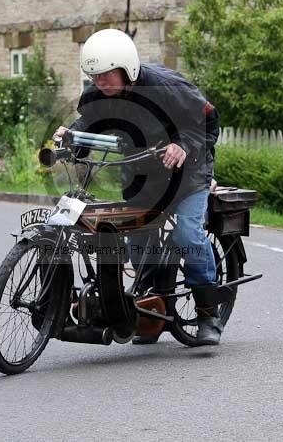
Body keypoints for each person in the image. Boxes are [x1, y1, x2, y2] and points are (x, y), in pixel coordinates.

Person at [54, 28, 222, 346]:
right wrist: (71, 135)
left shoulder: (167, 86)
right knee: (136, 241)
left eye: (105, 75)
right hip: (142, 177)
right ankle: (149, 312)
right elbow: (89, 122)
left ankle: (208, 313)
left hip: (187, 177)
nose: (99, 83)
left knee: (187, 234)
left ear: (127, 68)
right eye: (94, 76)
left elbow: (209, 121)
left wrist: (183, 144)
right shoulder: (98, 93)